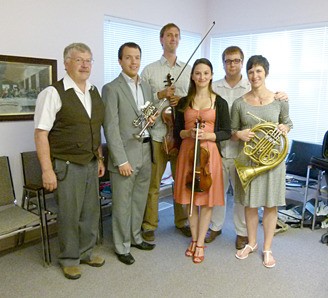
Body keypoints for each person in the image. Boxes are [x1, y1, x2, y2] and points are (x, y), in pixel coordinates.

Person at [34, 43, 105, 280]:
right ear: (66, 63)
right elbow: (41, 133)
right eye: (79, 60)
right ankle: (69, 258)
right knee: (69, 214)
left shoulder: (93, 91)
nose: (85, 65)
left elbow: (92, 128)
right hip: (66, 164)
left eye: (88, 60)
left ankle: (86, 252)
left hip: (91, 162)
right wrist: (47, 170)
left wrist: (100, 158)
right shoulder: (52, 93)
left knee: (90, 212)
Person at [207, 46, 288, 250]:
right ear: (223, 63)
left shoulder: (253, 85)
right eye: (228, 61)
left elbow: (285, 119)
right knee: (218, 191)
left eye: (236, 60)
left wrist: (284, 121)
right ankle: (215, 227)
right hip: (222, 147)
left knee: (243, 198)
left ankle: (242, 233)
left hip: (249, 155)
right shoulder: (214, 87)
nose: (232, 64)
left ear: (242, 62)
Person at [232, 55, 292, 268]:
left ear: (266, 72)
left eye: (258, 71)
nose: (254, 75)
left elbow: (288, 123)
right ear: (247, 75)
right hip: (250, 160)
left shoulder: (280, 100)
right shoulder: (239, 103)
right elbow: (232, 131)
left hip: (272, 162)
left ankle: (267, 248)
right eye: (250, 71)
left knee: (270, 204)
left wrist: (285, 128)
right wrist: (240, 134)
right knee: (250, 204)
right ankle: (252, 243)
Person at [102, 42, 156, 265]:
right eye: (128, 58)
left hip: (145, 150)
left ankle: (135, 237)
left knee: (138, 200)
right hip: (125, 155)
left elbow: (146, 115)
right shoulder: (111, 88)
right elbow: (110, 127)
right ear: (120, 61)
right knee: (123, 204)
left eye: (137, 58)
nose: (134, 62)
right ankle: (121, 246)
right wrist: (120, 160)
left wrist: (151, 120)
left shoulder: (145, 87)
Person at [174, 58, 231, 263]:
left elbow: (226, 131)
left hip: (209, 154)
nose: (202, 77)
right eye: (198, 73)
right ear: (192, 75)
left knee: (206, 201)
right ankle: (194, 238)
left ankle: (199, 243)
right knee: (189, 199)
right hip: (189, 153)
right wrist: (188, 132)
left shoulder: (219, 102)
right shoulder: (183, 102)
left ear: (211, 75)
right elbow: (176, 132)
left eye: (206, 73)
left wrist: (209, 136)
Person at [141, 23, 191, 241]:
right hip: (157, 135)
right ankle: (150, 224)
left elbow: (196, 102)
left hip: (180, 135)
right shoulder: (149, 70)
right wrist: (159, 94)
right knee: (154, 183)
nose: (173, 38)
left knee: (180, 181)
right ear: (161, 39)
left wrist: (182, 100)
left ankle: (182, 221)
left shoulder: (188, 70)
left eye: (176, 36)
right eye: (169, 35)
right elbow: (141, 105)